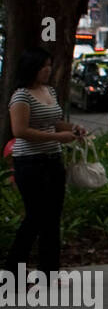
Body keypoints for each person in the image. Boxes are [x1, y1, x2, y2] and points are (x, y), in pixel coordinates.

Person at [4, 48, 89, 277]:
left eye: (49, 65)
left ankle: (49, 272)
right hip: (30, 163)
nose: (48, 70)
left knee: (52, 217)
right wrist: (57, 137)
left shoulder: (49, 90)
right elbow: (20, 130)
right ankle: (12, 274)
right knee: (34, 218)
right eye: (43, 66)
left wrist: (72, 129)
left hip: (53, 160)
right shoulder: (21, 96)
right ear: (31, 68)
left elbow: (55, 122)